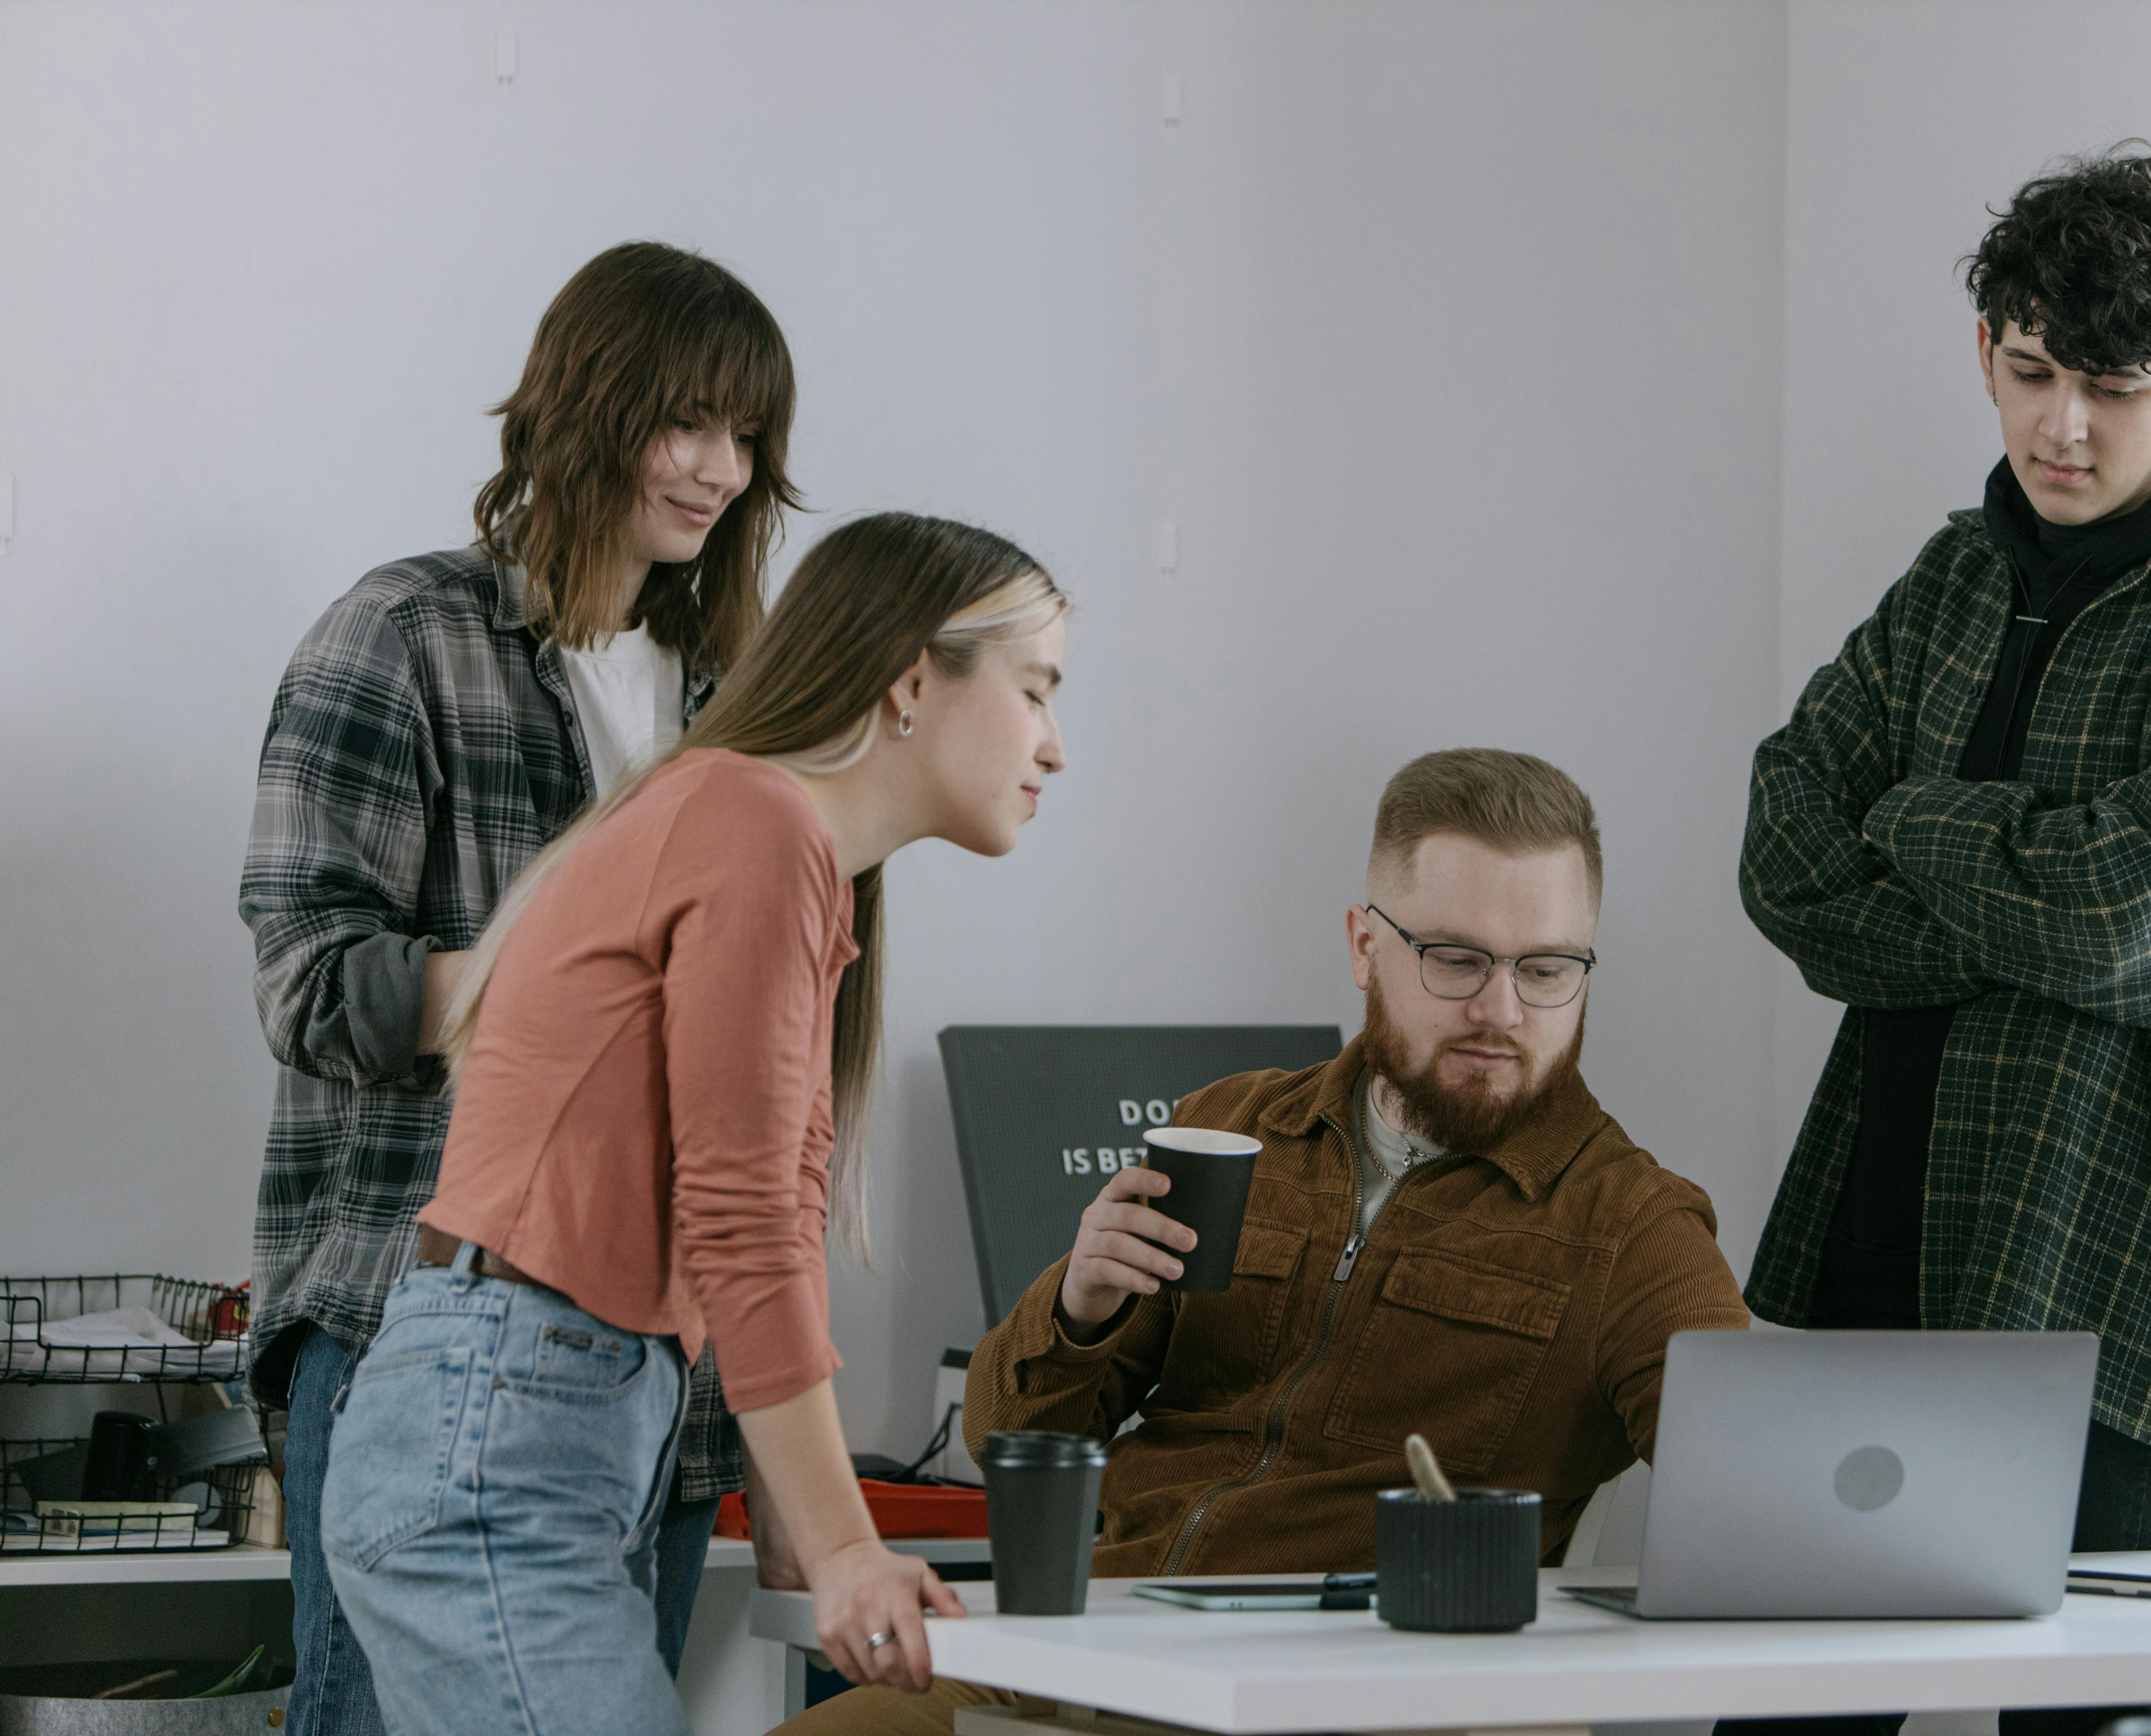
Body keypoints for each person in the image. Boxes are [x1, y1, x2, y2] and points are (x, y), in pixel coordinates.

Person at [1735, 153, 2151, 1736]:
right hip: (1875, 1250)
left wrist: (1925, 820)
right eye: (2029, 372)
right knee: (1774, 1721)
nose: (2060, 428)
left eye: (2114, 388)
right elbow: (1785, 851)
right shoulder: (1959, 572)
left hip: (2130, 1291)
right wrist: (2034, 898)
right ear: (1986, 352)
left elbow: (2133, 917)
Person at [787, 746, 1752, 1736]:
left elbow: (1760, 1497)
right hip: (1084, 1655)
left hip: (1337, 1704)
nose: (1501, 1011)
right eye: (1456, 959)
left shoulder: (1634, 1227)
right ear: (1364, 945)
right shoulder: (1233, 1125)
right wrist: (1079, 1305)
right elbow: (1008, 1443)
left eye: (1546, 968)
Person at [317, 512, 1070, 1734]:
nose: (1054, 746)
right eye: (1037, 691)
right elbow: (740, 1218)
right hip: (498, 1442)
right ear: (914, 682)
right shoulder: (755, 825)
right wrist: (840, 1548)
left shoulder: (786, 850)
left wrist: (802, 1509)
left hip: (521, 1426)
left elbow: (781, 1200)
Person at [238, 240, 798, 1735]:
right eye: (688, 420)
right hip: (415, 1328)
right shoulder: (407, 636)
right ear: (587, 406)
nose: (720, 469)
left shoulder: (736, 700)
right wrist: (544, 973)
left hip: (661, 1378)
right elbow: (309, 983)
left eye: (748, 437)